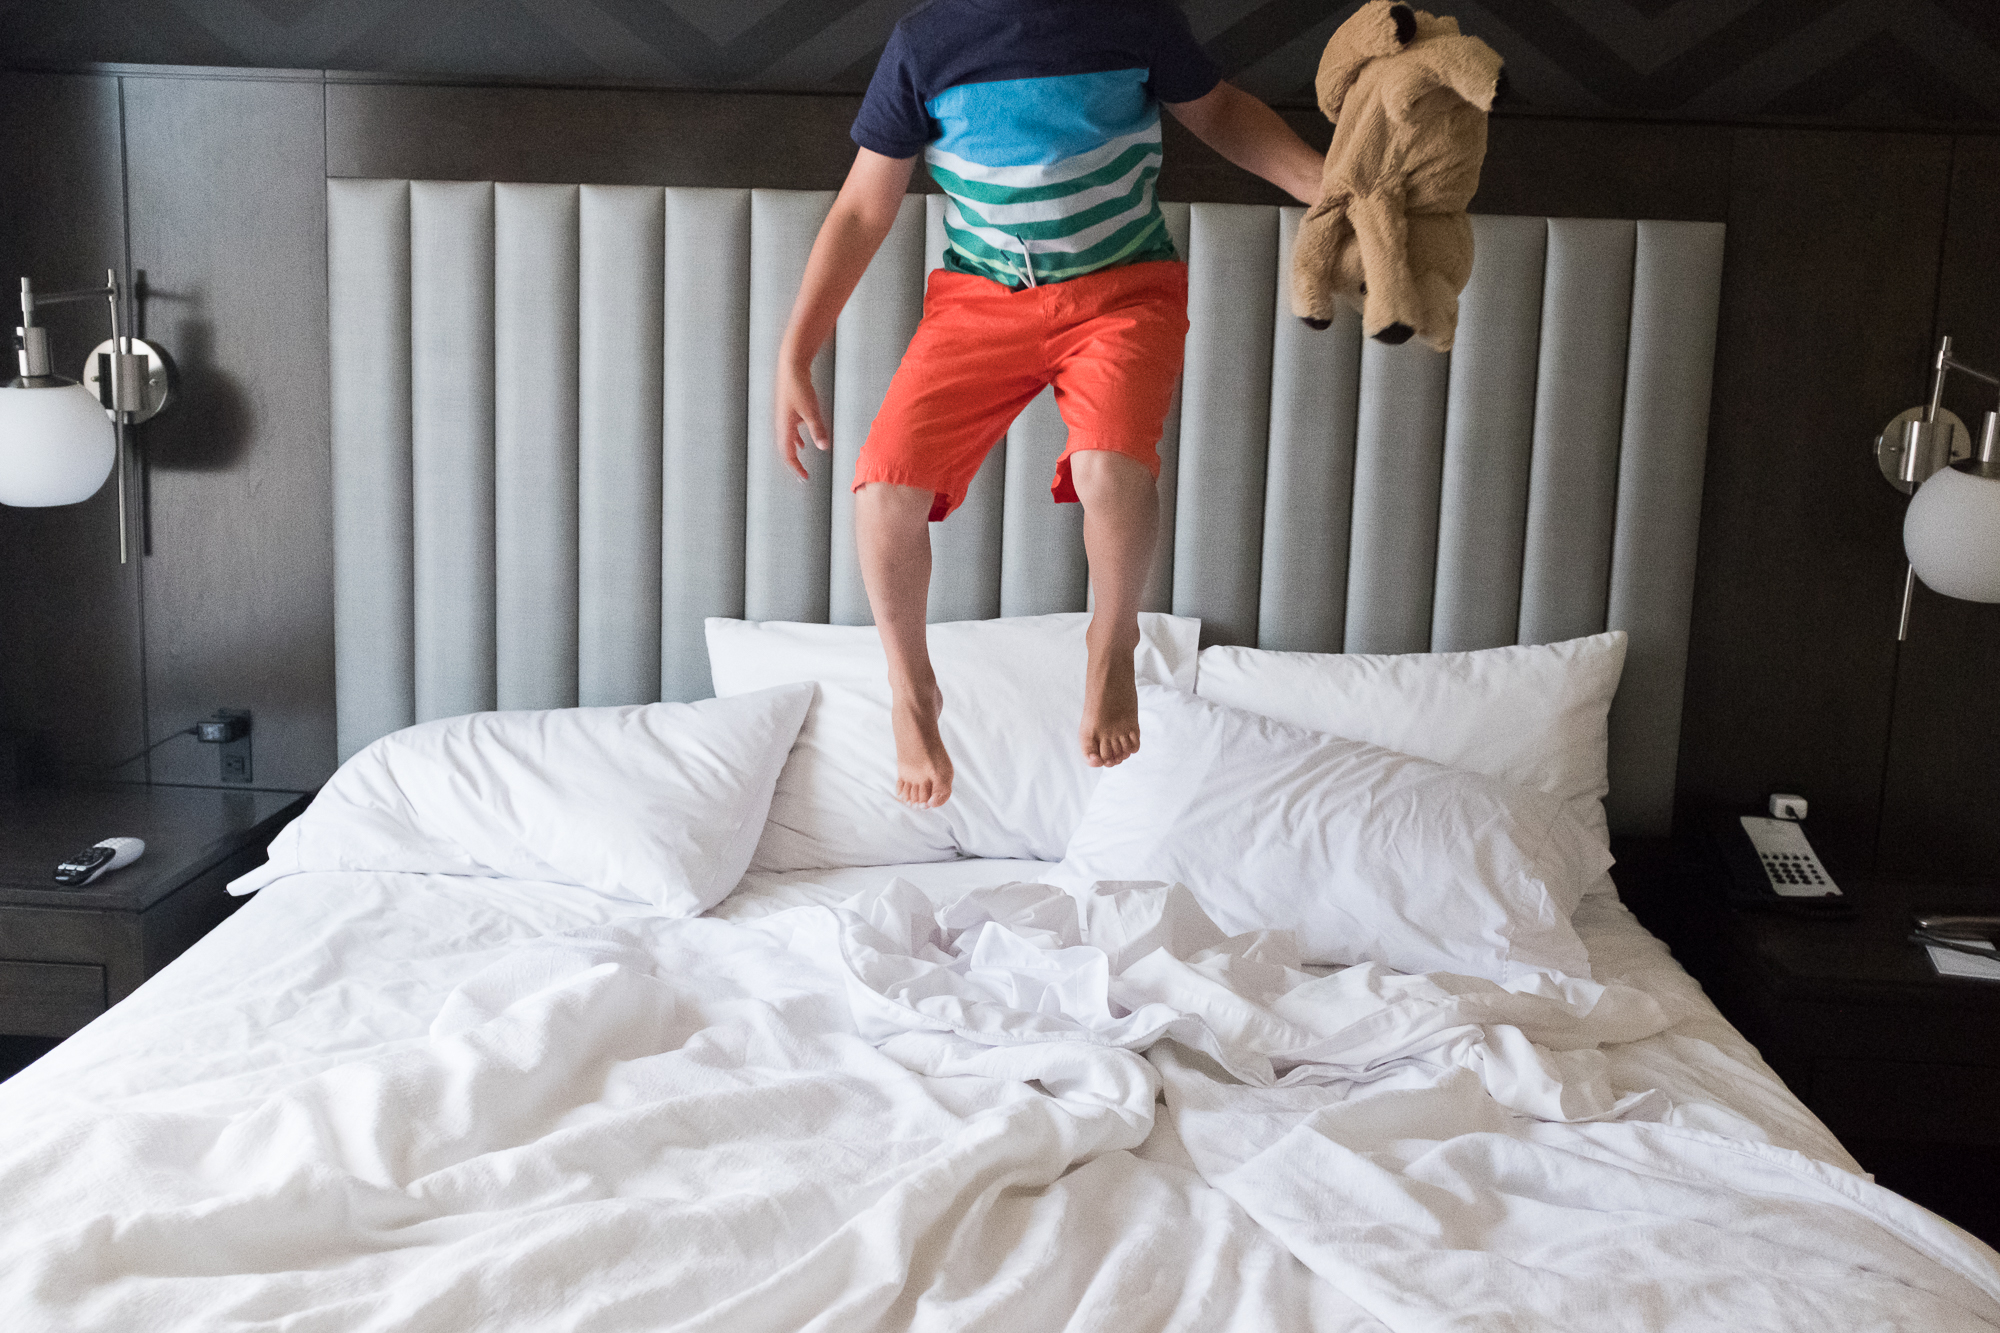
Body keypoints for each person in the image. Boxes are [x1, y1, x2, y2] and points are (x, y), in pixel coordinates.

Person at [772, 0, 1323, 809]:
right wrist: (795, 351)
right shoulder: (927, 44)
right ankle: (911, 687)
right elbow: (863, 208)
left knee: (1110, 469)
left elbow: (1222, 115)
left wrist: (1324, 185)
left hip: (1123, 295)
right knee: (884, 492)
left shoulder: (1131, 18)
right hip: (980, 301)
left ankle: (1111, 641)